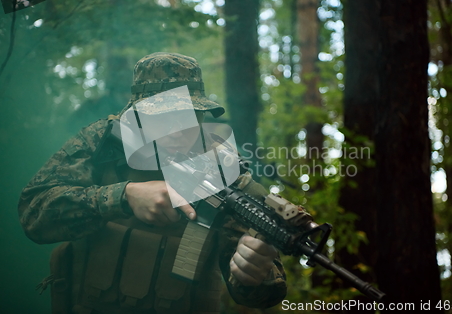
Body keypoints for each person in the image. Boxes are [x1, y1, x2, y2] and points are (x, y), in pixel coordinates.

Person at [18, 53, 287, 314]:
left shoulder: (225, 172)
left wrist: (255, 273)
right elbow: (33, 214)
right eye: (163, 116)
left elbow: (262, 293)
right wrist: (124, 196)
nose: (179, 128)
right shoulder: (102, 142)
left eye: (191, 114)